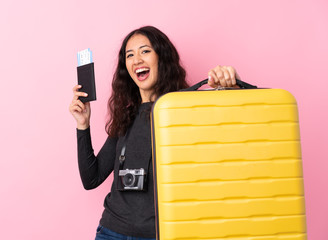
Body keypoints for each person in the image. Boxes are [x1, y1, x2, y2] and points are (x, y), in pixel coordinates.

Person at [69, 26, 242, 240]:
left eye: (145, 51)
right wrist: (83, 125)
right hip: (111, 232)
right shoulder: (126, 116)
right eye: (129, 55)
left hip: (162, 234)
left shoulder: (185, 109)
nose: (137, 60)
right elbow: (91, 179)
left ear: (162, 57)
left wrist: (230, 87)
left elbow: (229, 142)